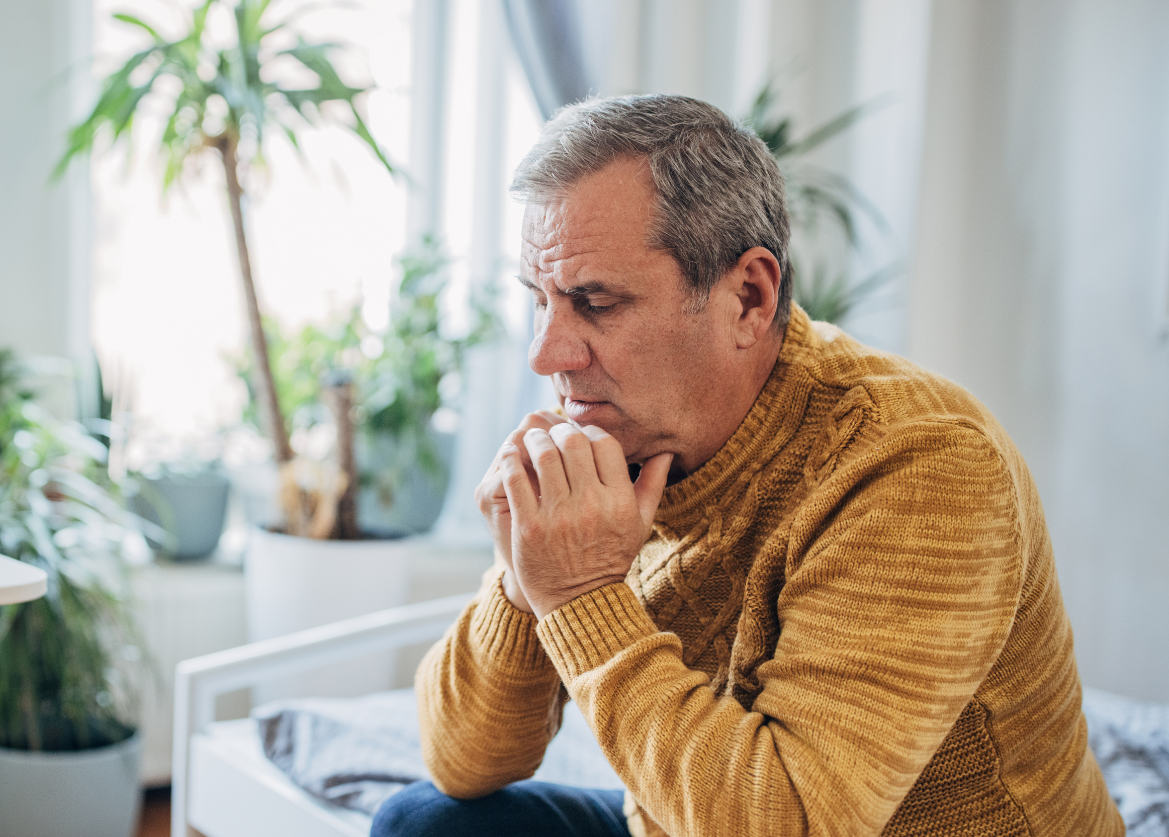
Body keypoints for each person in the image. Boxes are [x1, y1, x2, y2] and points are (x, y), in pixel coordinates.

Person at [371, 94, 1122, 837]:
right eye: (541, 300)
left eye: (594, 303)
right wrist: (526, 570)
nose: (547, 354)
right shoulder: (626, 441)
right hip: (701, 817)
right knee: (424, 824)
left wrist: (579, 596)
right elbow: (461, 759)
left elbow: (788, 823)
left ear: (749, 297)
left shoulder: (923, 464)